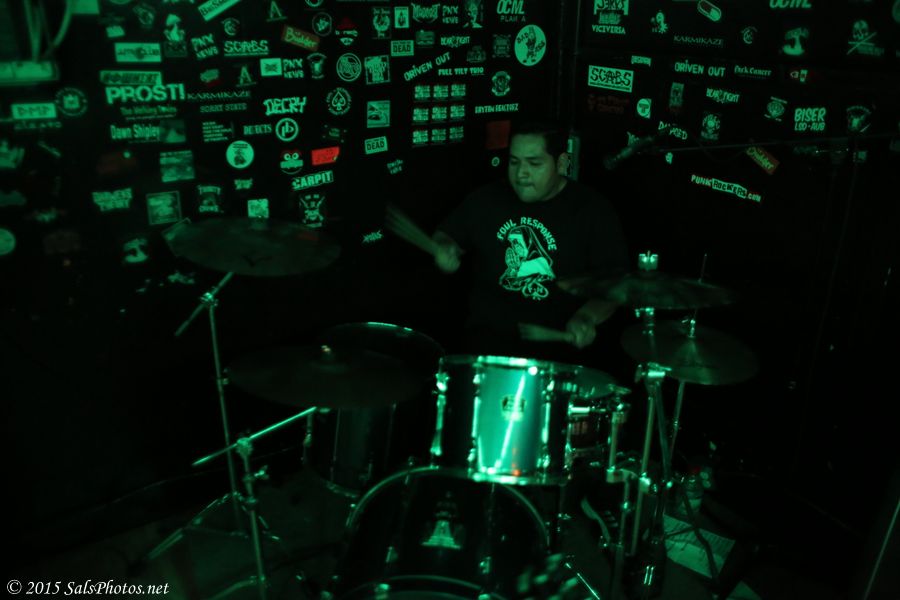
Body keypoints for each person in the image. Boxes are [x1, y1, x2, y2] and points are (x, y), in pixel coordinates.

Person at [432, 120, 629, 361]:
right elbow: (446, 236)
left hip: (557, 355)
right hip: (486, 348)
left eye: (534, 163)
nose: (521, 174)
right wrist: (444, 248)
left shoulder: (591, 211)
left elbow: (615, 284)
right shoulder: (487, 199)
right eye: (514, 162)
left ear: (561, 163)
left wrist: (587, 317)